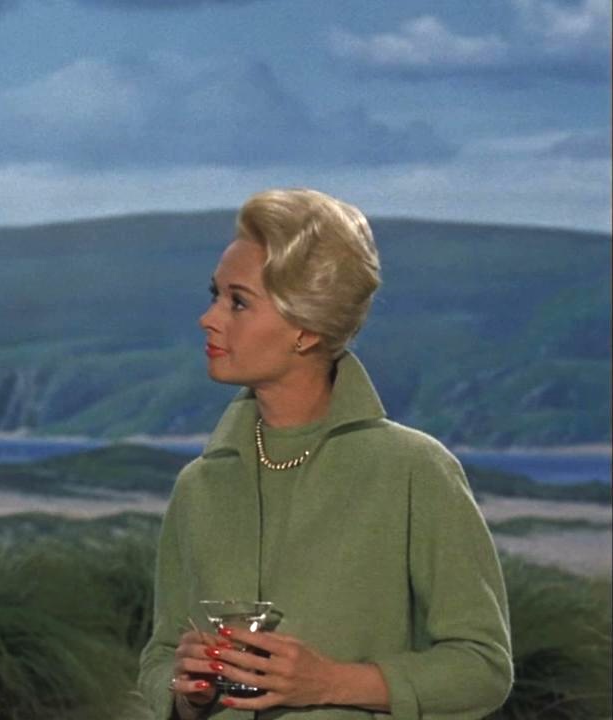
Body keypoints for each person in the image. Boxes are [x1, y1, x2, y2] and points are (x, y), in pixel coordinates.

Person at [137, 189, 512, 719]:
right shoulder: (198, 485)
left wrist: (333, 683)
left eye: (238, 302)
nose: (208, 318)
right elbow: (160, 655)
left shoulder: (414, 470)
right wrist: (185, 690)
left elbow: (483, 667)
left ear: (306, 328)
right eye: (215, 295)